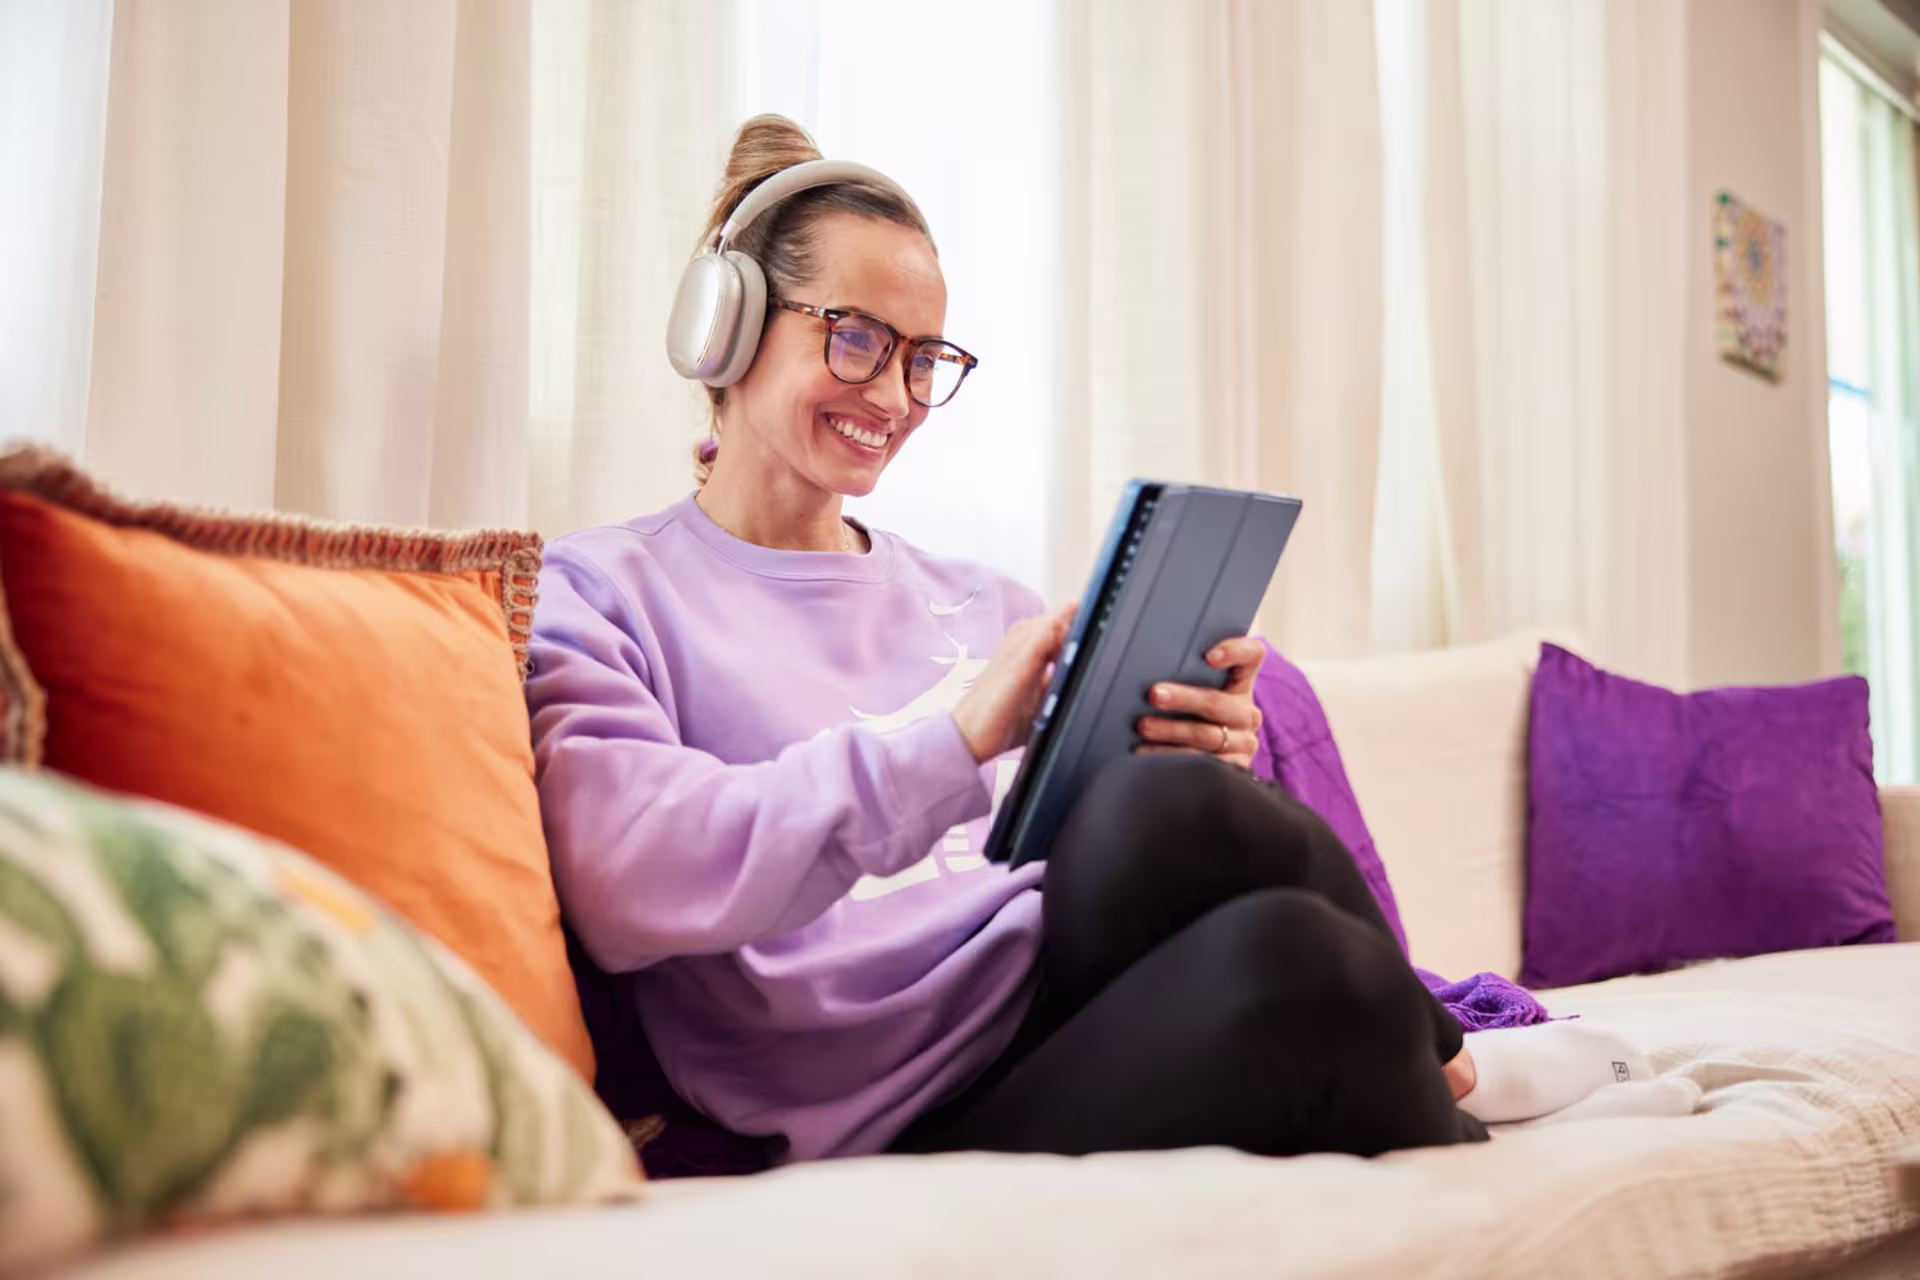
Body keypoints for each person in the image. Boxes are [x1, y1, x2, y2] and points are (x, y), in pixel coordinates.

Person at [527, 114, 1667, 1166]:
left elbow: (1084, 842)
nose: (898, 393)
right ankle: (1466, 1081)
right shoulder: (602, 591)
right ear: (723, 325)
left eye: (926, 357)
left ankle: (1461, 1066)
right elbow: (628, 881)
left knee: (1167, 804)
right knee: (1304, 969)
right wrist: (949, 741)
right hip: (903, 1106)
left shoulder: (977, 598)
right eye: (861, 338)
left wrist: (1187, 751)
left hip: (1060, 985)